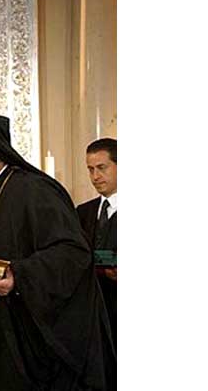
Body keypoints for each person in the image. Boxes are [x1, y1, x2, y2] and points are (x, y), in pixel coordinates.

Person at [0, 111, 116, 391]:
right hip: (9, 335)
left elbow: (73, 253)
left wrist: (18, 275)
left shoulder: (32, 190)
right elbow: (11, 253)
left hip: (39, 348)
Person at [77, 138, 117, 348]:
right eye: (90, 169)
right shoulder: (82, 212)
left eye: (102, 168)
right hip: (91, 315)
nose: (95, 176)